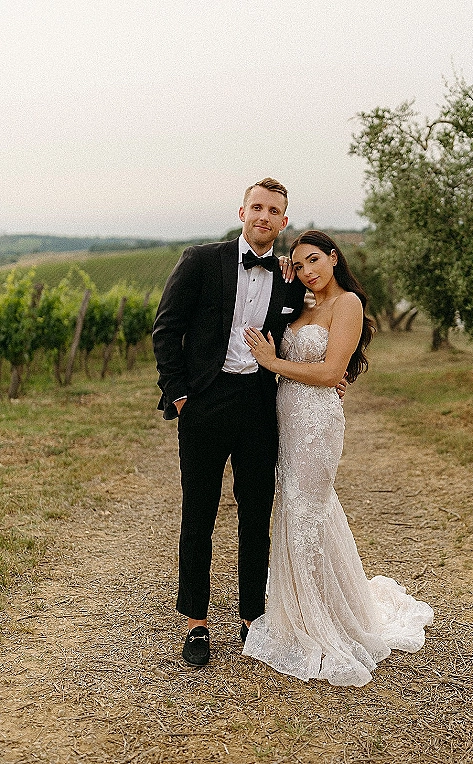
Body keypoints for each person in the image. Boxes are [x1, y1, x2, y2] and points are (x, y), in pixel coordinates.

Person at [241, 230, 434, 687]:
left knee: (309, 509)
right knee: (292, 508)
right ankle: (302, 604)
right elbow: (308, 359)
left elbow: (330, 373)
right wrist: (288, 287)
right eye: (299, 265)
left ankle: (320, 617)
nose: (308, 271)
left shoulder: (347, 303)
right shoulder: (303, 303)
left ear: (333, 257)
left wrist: (271, 362)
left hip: (317, 423)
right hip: (286, 417)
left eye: (314, 261)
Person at [152, 178, 307, 667]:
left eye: (274, 210)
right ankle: (196, 623)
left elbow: (320, 323)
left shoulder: (289, 277)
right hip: (203, 403)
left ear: (284, 221)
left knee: (255, 513)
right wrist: (178, 395)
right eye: (256, 207)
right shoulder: (202, 260)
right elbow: (166, 327)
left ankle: (251, 619)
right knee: (199, 513)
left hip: (260, 407)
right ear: (242, 212)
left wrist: (337, 374)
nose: (264, 216)